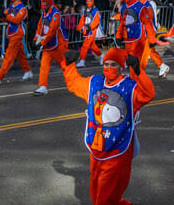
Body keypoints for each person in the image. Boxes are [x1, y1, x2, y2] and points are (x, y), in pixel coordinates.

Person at [60, 42, 155, 205]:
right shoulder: (94, 82)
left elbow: (148, 94)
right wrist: (69, 65)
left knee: (104, 197)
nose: (108, 67)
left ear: (121, 67)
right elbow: (74, 84)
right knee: (97, 190)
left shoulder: (130, 87)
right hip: (97, 149)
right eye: (106, 64)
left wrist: (138, 71)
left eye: (113, 64)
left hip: (117, 150)